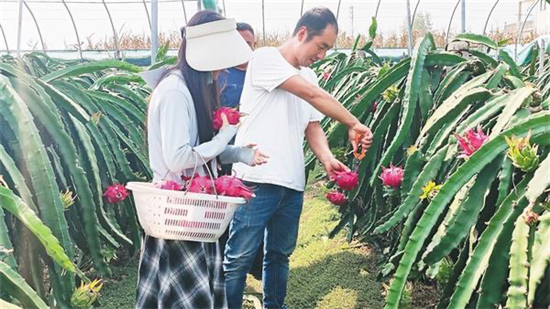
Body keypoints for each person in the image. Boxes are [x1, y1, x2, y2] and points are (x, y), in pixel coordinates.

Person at [223, 7, 373, 309]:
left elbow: (311, 124)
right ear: (302, 33)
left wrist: (327, 158)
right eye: (321, 46)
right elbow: (313, 96)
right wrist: (353, 123)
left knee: (279, 256)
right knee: (238, 258)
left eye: (328, 49)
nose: (323, 55)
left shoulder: (310, 74)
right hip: (256, 179)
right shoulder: (264, 58)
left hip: (291, 183)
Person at [136, 11, 268, 309]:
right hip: (177, 214)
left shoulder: (191, 88)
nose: (223, 71)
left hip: (193, 211)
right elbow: (179, 157)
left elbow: (202, 151)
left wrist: (241, 153)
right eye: (220, 62)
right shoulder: (174, 91)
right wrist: (225, 135)